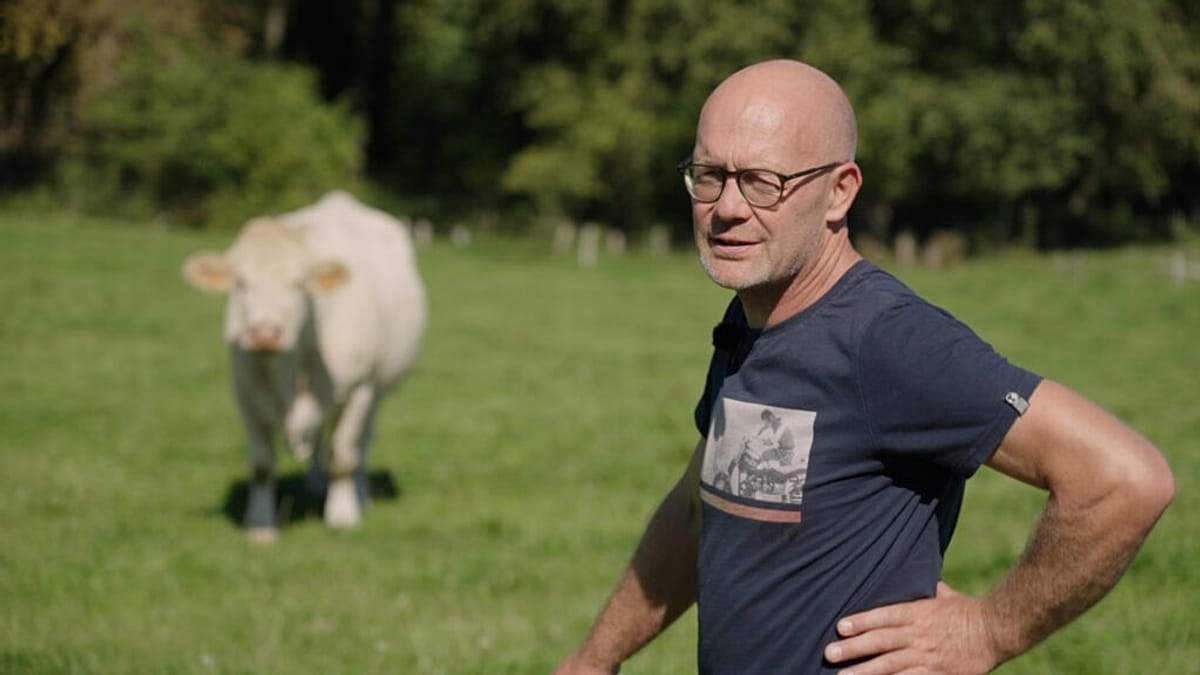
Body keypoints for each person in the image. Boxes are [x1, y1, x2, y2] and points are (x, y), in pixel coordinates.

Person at [553, 59, 1175, 675]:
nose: (728, 208)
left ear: (840, 191)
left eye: (763, 182)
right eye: (710, 175)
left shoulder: (888, 338)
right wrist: (592, 661)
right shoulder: (750, 320)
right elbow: (699, 508)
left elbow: (1123, 478)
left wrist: (987, 630)